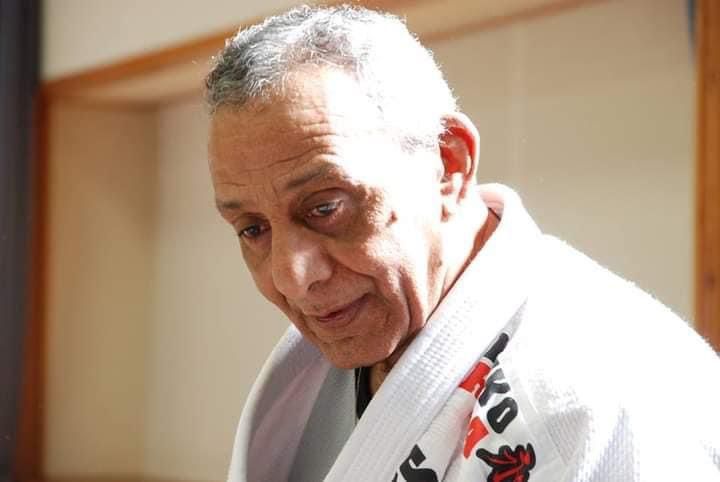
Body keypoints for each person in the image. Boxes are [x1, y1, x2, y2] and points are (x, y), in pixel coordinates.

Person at [205, 5, 720, 481]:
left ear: (448, 165)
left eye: (326, 208)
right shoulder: (354, 332)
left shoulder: (598, 407)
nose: (292, 276)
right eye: (252, 228)